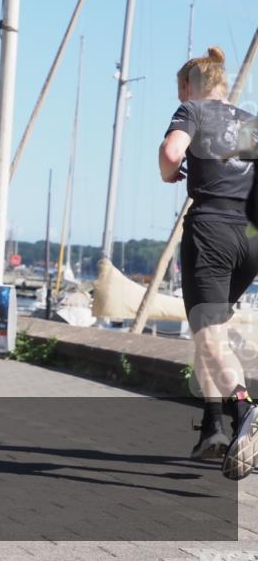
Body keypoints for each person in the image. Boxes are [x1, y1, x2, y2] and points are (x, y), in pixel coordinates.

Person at [159, 45, 258, 478]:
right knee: (206, 333)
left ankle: (245, 409)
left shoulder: (193, 111)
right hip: (250, 239)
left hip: (211, 233)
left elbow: (170, 155)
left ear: (189, 85)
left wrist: (169, 172)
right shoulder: (250, 122)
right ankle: (214, 429)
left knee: (212, 336)